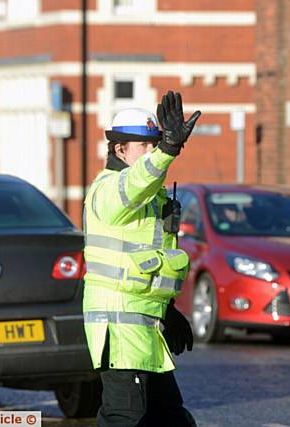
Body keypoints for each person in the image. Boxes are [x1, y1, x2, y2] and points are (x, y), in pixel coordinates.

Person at [83, 90, 201, 426]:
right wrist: (167, 150)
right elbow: (135, 183)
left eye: (155, 143)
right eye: (144, 146)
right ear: (120, 150)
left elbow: (151, 262)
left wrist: (169, 309)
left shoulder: (150, 199)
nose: (151, 151)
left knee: (170, 419)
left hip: (146, 328)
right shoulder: (109, 190)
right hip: (119, 330)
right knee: (125, 419)